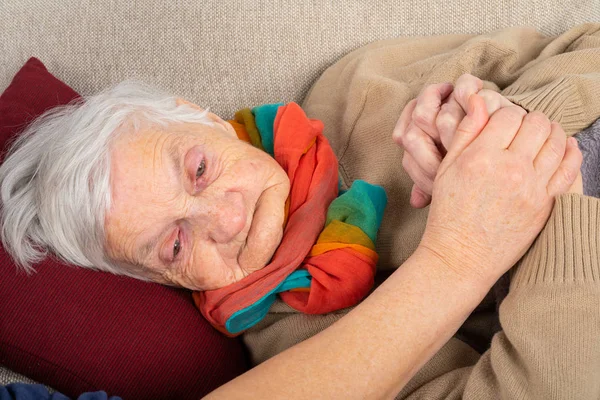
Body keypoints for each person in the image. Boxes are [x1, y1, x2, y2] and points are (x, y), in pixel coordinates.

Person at [2, 24, 600, 398]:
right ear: (162, 280)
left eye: (199, 170)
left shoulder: (358, 88)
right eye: (176, 245)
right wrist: (557, 199)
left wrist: (501, 126)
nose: (227, 220)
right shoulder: (302, 345)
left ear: (203, 116)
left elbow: (587, 46)